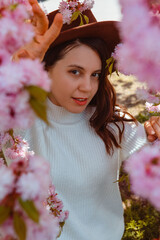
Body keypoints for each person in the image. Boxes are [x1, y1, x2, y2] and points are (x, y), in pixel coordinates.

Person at [13, 0, 160, 239]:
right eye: (75, 72)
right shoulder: (17, 126)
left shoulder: (112, 123)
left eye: (95, 74)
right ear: (44, 69)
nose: (88, 87)